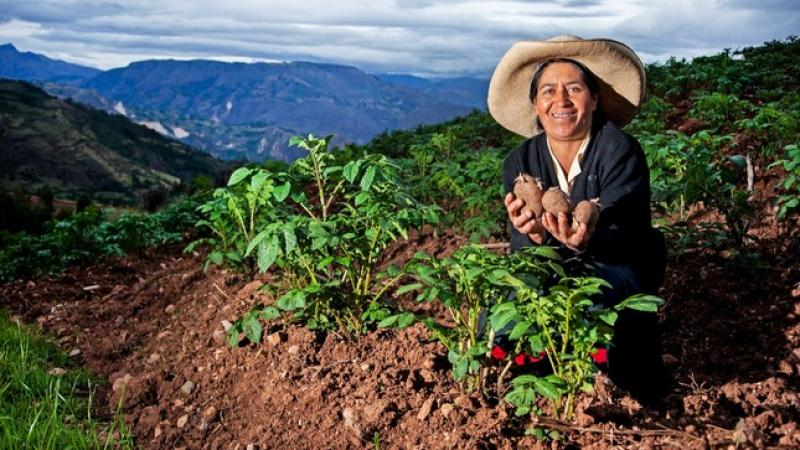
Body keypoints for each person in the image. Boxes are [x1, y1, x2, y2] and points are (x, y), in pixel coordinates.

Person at [486, 36, 669, 403]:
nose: (561, 101)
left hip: (617, 262)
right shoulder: (519, 162)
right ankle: (520, 387)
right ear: (536, 105)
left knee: (602, 306)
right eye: (548, 91)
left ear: (595, 99)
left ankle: (618, 392)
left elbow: (628, 229)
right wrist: (536, 236)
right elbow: (521, 247)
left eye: (574, 89)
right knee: (504, 311)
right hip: (549, 266)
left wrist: (585, 237)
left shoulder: (621, 150)